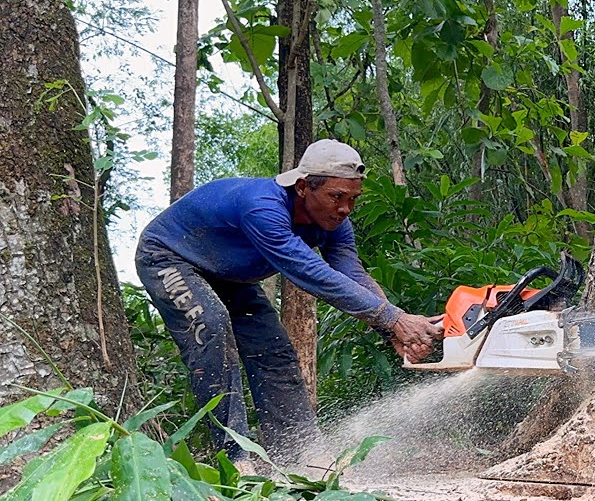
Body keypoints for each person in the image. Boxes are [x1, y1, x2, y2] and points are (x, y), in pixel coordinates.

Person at [135, 139, 440, 466]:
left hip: (227, 276)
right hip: (168, 258)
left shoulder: (336, 224)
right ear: (303, 187)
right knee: (210, 327)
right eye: (336, 197)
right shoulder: (263, 208)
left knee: (275, 351)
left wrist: (393, 328)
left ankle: (301, 458)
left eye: (353, 199)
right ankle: (236, 461)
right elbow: (309, 272)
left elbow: (351, 274)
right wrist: (393, 319)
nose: (345, 209)